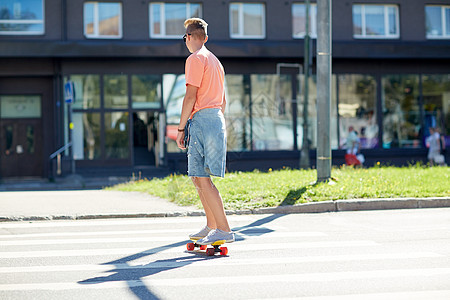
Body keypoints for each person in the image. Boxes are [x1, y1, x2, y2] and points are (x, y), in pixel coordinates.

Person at [176, 18, 235, 245]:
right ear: (206, 37)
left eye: (185, 38)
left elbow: (190, 96)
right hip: (215, 118)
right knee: (198, 176)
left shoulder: (195, 59)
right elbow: (223, 101)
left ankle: (223, 228)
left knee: (201, 176)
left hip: (202, 118)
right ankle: (213, 225)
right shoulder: (216, 62)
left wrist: (181, 128)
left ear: (189, 37)